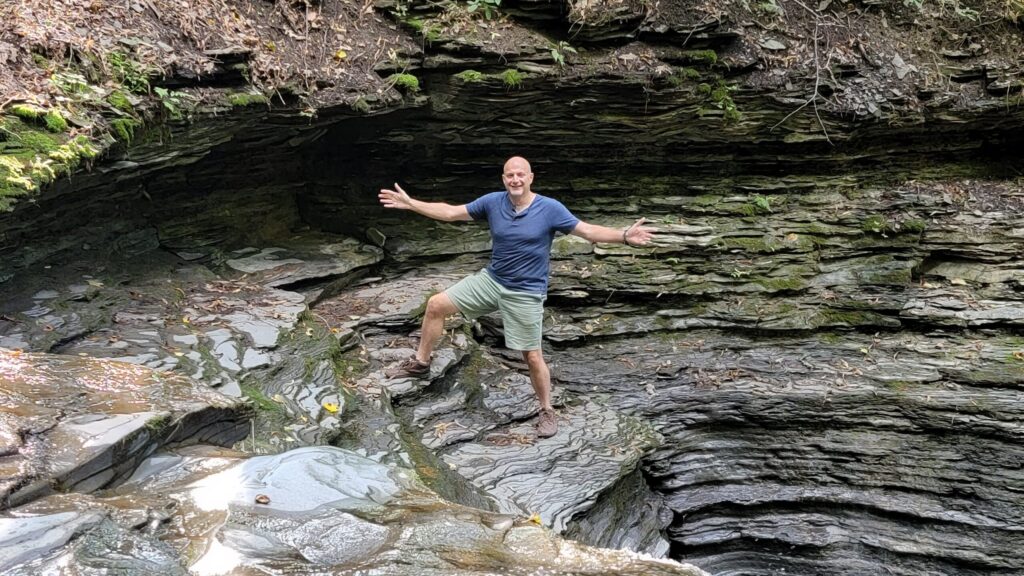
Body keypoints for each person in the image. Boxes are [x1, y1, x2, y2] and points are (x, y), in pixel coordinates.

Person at [379, 156, 655, 437]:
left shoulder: (549, 208)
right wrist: (411, 203)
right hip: (492, 280)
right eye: (510, 175)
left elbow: (587, 231)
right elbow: (451, 213)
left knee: (532, 356)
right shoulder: (492, 202)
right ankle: (421, 364)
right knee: (436, 304)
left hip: (526, 291)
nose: (515, 180)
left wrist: (623, 235)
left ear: (531, 177)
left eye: (520, 175)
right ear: (503, 179)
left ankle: (547, 410)